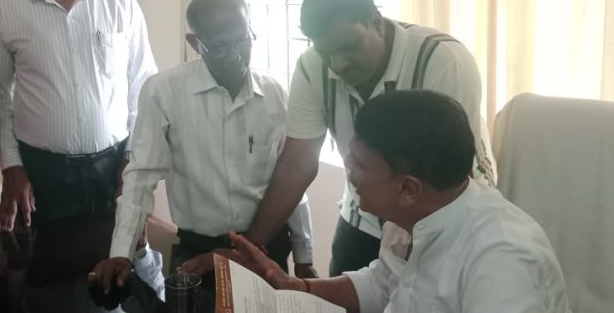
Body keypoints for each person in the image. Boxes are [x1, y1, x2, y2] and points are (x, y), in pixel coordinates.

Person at [228, 90, 569, 312]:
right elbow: (383, 284)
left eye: (359, 164)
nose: (349, 171)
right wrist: (296, 287)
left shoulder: (501, 259)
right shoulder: (411, 217)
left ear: (408, 189)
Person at [246, 0, 496, 275]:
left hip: (445, 217)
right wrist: (249, 247)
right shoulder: (312, 67)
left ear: (376, 22)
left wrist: (408, 258)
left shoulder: (442, 61)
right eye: (326, 53)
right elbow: (296, 164)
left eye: (348, 47)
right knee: (349, 289)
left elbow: (446, 174)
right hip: (366, 213)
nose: (338, 64)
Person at [0, 0, 162, 306]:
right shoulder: (7, 11)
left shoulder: (119, 1)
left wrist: (134, 159)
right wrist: (12, 166)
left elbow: (143, 87)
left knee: (122, 266)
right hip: (44, 171)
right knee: (48, 276)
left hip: (113, 165)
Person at [88, 0, 316, 310]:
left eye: (243, 40)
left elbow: (290, 180)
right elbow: (140, 177)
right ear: (196, 44)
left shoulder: (274, 94)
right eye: (220, 47)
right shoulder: (164, 92)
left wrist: (304, 256)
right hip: (198, 253)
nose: (235, 55)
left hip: (265, 250)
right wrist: (121, 253)